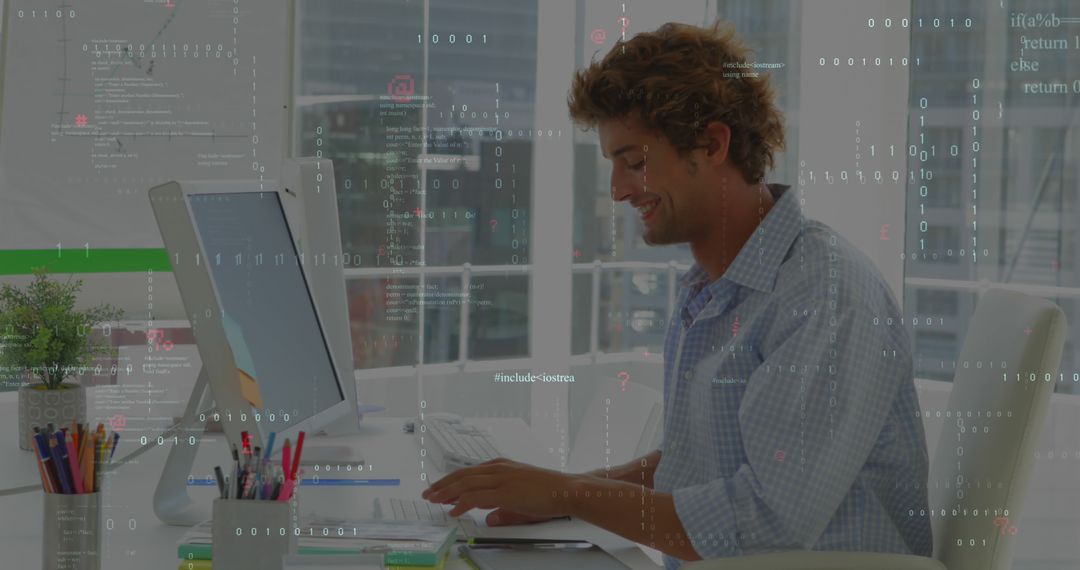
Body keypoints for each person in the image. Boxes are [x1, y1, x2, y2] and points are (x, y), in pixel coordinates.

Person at [422, 20, 932, 568]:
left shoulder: (822, 293)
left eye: (635, 162)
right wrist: (560, 490)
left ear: (712, 144)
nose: (618, 190)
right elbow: (697, 463)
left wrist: (569, 495)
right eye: (614, 166)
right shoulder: (715, 288)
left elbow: (764, 523)